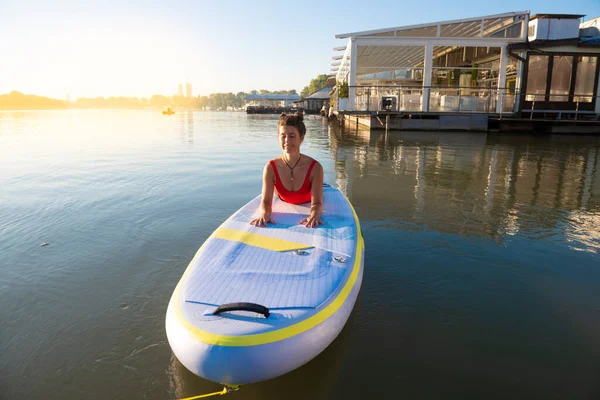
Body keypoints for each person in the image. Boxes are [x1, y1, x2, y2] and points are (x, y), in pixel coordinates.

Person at [250, 113, 324, 228]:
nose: (287, 141)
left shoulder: (315, 168)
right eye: (283, 136)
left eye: (292, 136)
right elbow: (266, 202)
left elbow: (317, 203)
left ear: (302, 137)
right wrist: (264, 214)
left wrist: (314, 215)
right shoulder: (271, 168)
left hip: (307, 202)